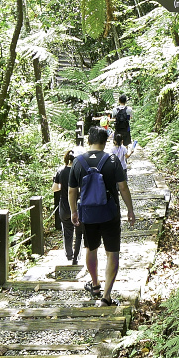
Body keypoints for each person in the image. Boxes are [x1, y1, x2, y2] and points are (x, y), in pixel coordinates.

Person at [70, 126, 135, 306]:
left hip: (88, 214)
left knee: (91, 249)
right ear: (105, 142)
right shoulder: (112, 160)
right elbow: (123, 187)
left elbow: (71, 191)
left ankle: (95, 284)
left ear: (88, 141)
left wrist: (74, 211)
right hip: (110, 214)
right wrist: (130, 210)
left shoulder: (78, 162)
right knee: (112, 252)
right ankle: (106, 296)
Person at [51, 149, 80, 263]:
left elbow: (54, 188)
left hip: (64, 206)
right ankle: (76, 257)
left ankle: (69, 255)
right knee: (79, 233)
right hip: (77, 206)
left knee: (67, 232)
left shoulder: (60, 171)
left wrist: (63, 188)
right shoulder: (79, 171)